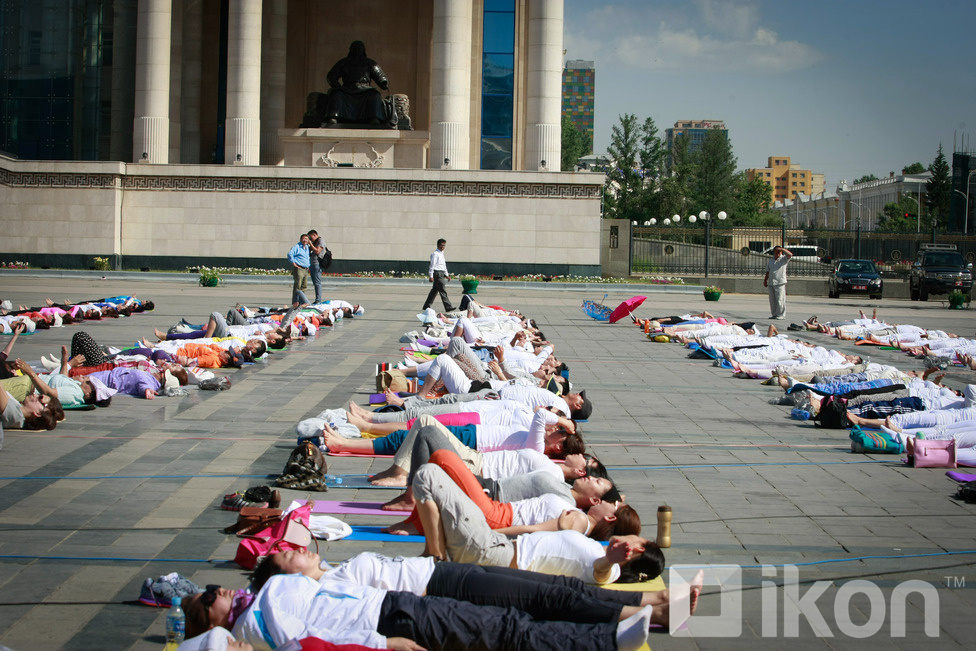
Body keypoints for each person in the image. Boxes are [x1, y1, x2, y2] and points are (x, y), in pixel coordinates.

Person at [188, 573, 656, 651]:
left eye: (210, 590)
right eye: (209, 600)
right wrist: (381, 643)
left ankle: (621, 623)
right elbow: (314, 643)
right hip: (387, 622)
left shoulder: (264, 592)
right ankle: (605, 641)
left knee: (506, 624)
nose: (217, 591)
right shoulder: (257, 625)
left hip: (395, 602)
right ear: (213, 622)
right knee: (504, 632)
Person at [324, 40, 390, 126]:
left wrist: (383, 82)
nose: (357, 50)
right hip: (347, 89)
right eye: (355, 48)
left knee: (375, 95)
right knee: (337, 95)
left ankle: (374, 117)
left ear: (363, 50)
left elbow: (379, 75)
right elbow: (331, 75)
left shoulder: (369, 62)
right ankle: (334, 116)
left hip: (365, 89)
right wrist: (335, 84)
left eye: (359, 48)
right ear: (351, 50)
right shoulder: (343, 62)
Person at [422, 238, 454, 312]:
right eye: (441, 245)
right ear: (438, 245)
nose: (443, 247)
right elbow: (432, 265)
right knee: (442, 290)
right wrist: (431, 276)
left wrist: (447, 275)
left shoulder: (441, 254)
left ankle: (426, 305)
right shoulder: (435, 254)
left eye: (444, 245)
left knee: (434, 291)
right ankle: (448, 307)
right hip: (437, 273)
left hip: (441, 273)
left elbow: (443, 265)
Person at [764, 245, 792, 320]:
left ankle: (781, 314)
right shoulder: (771, 260)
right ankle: (774, 314)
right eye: (776, 251)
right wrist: (765, 280)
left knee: (780, 299)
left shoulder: (783, 259)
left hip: (780, 283)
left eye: (779, 252)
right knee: (772, 300)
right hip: (771, 282)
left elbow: (790, 255)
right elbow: (768, 271)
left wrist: (782, 249)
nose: (778, 253)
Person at [287, 234, 312, 308]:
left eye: (306, 239)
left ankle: (302, 302)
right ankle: (295, 302)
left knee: (304, 286)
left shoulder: (307, 247)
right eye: (304, 239)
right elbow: (290, 254)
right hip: (299, 268)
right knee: (298, 286)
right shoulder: (297, 247)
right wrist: (293, 262)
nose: (305, 240)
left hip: (305, 269)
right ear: (301, 239)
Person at [307, 229, 325, 304]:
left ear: (315, 235)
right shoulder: (315, 242)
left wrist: (310, 244)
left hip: (317, 264)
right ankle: (317, 299)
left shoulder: (321, 241)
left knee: (317, 283)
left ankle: (318, 300)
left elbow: (317, 251)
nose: (310, 239)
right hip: (312, 264)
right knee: (315, 282)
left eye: (311, 237)